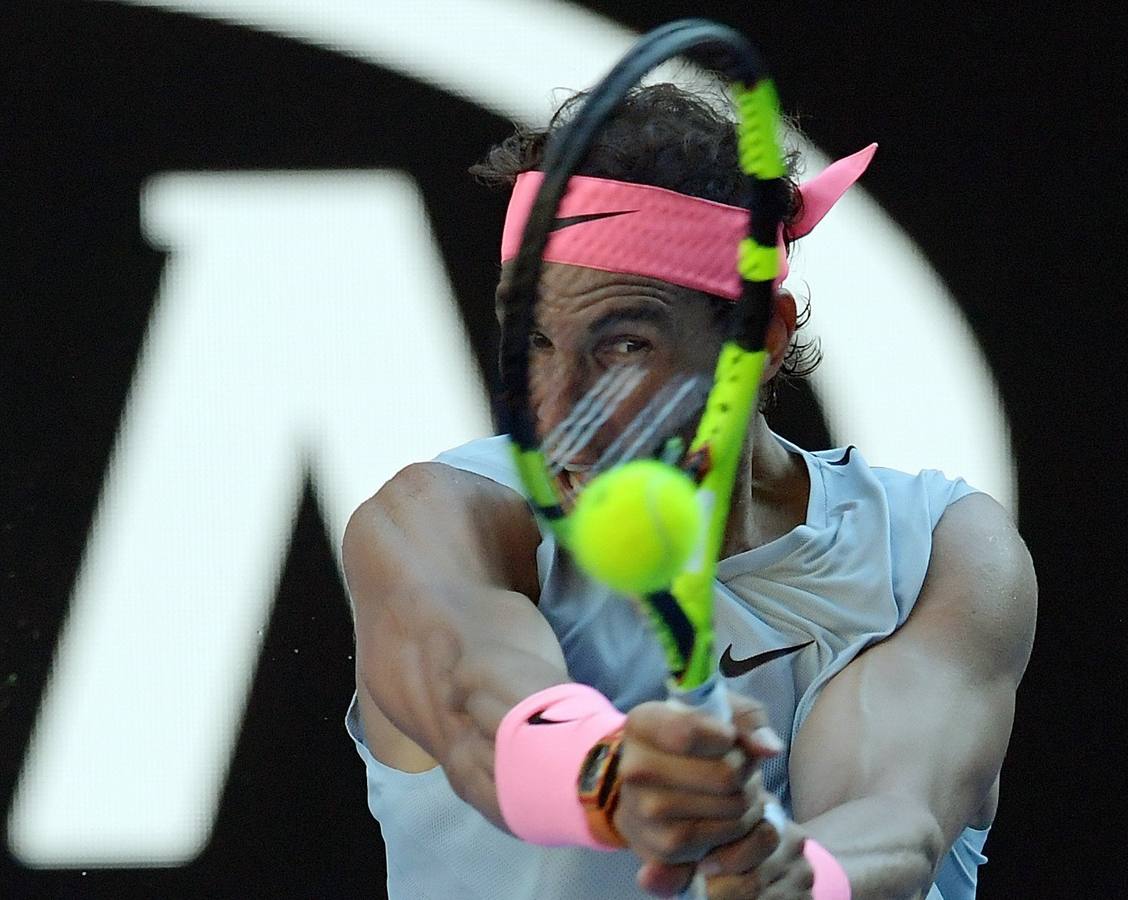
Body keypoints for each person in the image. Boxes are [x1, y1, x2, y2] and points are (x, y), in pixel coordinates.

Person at [341, 84, 1036, 900]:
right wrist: (609, 777)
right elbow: (476, 702)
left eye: (624, 345)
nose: (554, 409)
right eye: (534, 339)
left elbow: (896, 811)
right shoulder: (436, 522)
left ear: (761, 341)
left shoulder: (938, 551)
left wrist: (802, 877)